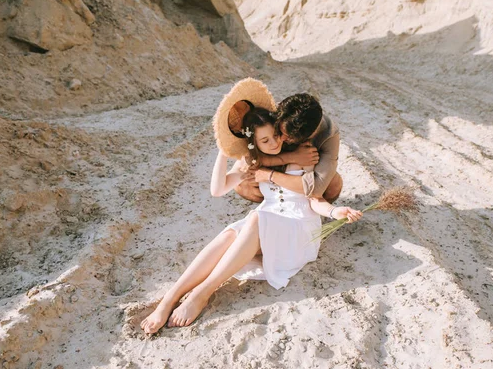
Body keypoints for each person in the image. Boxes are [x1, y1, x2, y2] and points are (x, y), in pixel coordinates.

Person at [140, 79, 362, 334]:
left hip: (296, 226)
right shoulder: (268, 131)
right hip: (272, 217)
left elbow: (316, 195)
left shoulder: (312, 152)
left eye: (281, 138)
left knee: (257, 218)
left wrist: (335, 212)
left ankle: (201, 293)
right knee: (230, 234)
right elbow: (220, 186)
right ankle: (170, 297)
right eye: (271, 137)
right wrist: (225, 152)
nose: (279, 141)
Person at [235, 93, 343, 204]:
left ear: (309, 136)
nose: (281, 138)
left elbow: (317, 189)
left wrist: (269, 175)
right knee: (241, 185)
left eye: (289, 137)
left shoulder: (329, 135)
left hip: (303, 174)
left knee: (334, 184)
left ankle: (314, 212)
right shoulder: (277, 112)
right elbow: (248, 155)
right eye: (279, 131)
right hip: (276, 168)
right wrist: (291, 157)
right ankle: (276, 206)